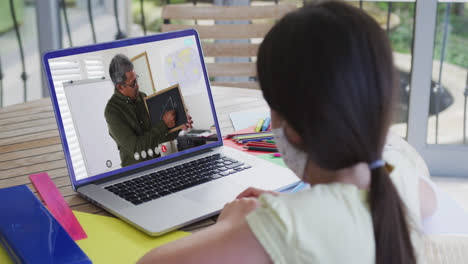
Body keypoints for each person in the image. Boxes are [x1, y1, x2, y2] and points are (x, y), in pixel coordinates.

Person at [138, 2, 437, 263]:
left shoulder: (282, 227)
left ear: (292, 130)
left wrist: (230, 227)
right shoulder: (402, 175)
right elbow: (426, 202)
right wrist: (300, 206)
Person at [105, 54, 193, 167]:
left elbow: (157, 136)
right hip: (136, 174)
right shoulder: (111, 111)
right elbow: (137, 148)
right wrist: (164, 124)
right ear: (120, 87)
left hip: (157, 164)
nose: (137, 86)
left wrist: (178, 126)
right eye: (133, 83)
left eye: (136, 79)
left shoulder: (143, 97)